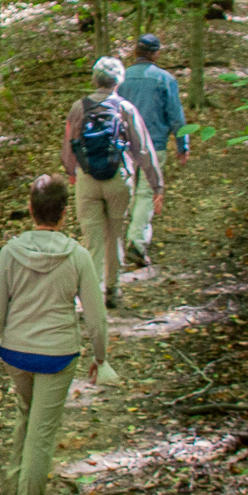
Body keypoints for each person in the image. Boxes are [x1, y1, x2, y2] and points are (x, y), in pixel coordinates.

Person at [0, 174, 109, 495]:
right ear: (65, 214)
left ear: (31, 210)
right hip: (57, 356)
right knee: (41, 435)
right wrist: (101, 356)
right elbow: (96, 318)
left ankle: (18, 488)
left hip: (15, 354)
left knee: (27, 414)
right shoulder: (78, 256)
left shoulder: (10, 253)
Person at [61, 56, 162, 310]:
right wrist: (156, 183)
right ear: (118, 81)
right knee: (114, 235)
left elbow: (67, 145)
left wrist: (72, 171)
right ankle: (113, 291)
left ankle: (93, 294)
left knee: (92, 239)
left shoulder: (78, 107)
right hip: (119, 178)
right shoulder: (125, 108)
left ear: (95, 79)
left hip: (87, 180)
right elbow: (143, 149)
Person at [117, 33, 187, 269]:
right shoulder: (165, 79)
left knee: (127, 193)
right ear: (156, 53)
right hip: (154, 146)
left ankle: (116, 247)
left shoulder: (121, 78)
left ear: (136, 52)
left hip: (124, 146)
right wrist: (182, 144)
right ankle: (136, 244)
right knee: (146, 194)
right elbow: (176, 115)